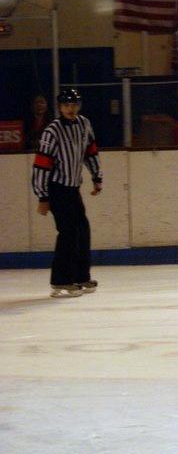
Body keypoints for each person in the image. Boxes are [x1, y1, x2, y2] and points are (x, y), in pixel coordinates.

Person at [31, 88, 102, 298]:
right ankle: (61, 280)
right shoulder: (52, 131)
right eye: (66, 105)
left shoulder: (83, 124)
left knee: (82, 229)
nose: (71, 109)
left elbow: (90, 152)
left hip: (73, 189)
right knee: (68, 232)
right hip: (56, 189)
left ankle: (80, 276)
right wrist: (42, 196)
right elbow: (41, 164)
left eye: (74, 105)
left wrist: (97, 177)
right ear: (60, 107)